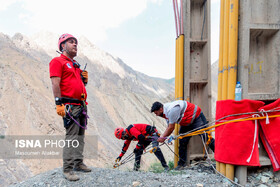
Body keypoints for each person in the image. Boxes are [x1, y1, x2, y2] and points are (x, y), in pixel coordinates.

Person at [49, 33, 91, 181]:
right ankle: (67, 169)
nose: (75, 44)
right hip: (70, 106)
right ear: (62, 45)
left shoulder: (75, 65)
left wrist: (84, 80)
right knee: (72, 137)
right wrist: (58, 103)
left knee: (80, 137)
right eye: (71, 42)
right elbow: (55, 83)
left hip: (81, 105)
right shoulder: (57, 61)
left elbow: (78, 85)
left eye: (76, 43)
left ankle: (78, 163)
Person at [151, 100, 215, 170]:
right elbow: (169, 126)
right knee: (182, 141)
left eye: (156, 113)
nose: (156, 115)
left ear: (160, 109)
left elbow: (171, 128)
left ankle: (220, 156)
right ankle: (181, 164)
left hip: (197, 117)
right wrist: (165, 137)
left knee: (206, 138)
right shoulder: (165, 113)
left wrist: (163, 138)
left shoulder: (172, 110)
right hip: (186, 123)